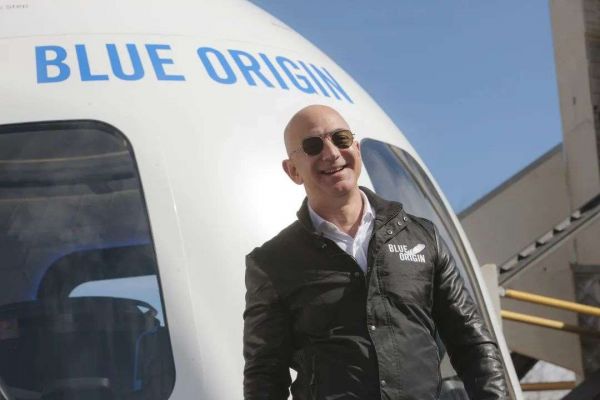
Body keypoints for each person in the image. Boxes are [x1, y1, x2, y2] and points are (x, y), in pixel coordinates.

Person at [243, 104, 509, 400]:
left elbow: (472, 343)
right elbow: (264, 375)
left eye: (341, 139)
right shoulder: (272, 263)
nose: (331, 153)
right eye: (313, 146)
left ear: (356, 149)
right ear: (293, 170)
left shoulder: (422, 237)